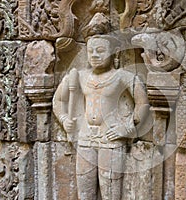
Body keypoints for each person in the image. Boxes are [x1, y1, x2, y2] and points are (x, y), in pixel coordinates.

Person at [53, 32, 149, 199]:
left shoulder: (122, 77)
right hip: (85, 139)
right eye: (91, 51)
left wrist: (127, 128)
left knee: (111, 192)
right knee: (84, 192)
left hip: (111, 139)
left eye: (100, 50)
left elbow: (143, 103)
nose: (95, 55)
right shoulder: (80, 76)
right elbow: (58, 100)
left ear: (114, 53)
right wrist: (64, 119)